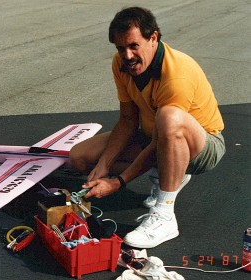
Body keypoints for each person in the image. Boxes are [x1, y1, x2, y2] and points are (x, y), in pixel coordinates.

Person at [70, 7, 225, 248]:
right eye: (121, 48)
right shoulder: (121, 64)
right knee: (79, 158)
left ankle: (164, 216)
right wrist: (103, 167)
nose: (127, 55)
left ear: (153, 38)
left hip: (202, 146)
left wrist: (118, 182)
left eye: (134, 46)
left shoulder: (177, 75)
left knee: (170, 117)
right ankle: (168, 174)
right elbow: (128, 120)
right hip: (153, 135)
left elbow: (160, 140)